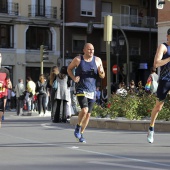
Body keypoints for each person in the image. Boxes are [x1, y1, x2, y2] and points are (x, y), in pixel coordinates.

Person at [67, 43, 105, 143]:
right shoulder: (78, 60)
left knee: (88, 115)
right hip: (81, 88)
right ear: (84, 50)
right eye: (89, 49)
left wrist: (101, 72)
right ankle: (77, 128)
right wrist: (74, 78)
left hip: (92, 90)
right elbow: (69, 69)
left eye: (92, 49)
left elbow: (102, 76)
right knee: (84, 110)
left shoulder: (97, 60)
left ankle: (81, 133)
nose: (91, 51)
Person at [147, 28, 170, 143]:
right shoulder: (163, 47)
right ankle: (151, 127)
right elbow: (156, 63)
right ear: (168, 36)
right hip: (165, 80)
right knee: (158, 107)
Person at [0, 53, 10, 127]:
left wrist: (8, 84)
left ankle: (0, 119)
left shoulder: (5, 71)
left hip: (3, 92)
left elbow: (9, 82)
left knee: (2, 107)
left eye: (0, 56)